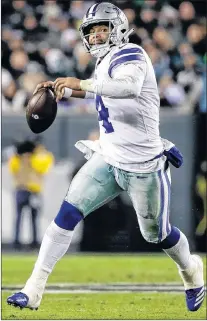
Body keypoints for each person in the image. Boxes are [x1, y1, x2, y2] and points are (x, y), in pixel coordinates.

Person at [7, 2, 204, 312]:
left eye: (102, 28)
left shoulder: (133, 55)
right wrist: (66, 90)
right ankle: (33, 289)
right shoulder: (104, 61)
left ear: (119, 29)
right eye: (91, 30)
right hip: (109, 158)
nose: (96, 36)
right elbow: (102, 92)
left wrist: (80, 83)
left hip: (142, 165)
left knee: (157, 234)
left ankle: (191, 270)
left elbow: (127, 89)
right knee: (67, 215)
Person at [8, 138, 54, 248]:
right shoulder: (18, 159)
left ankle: (31, 242)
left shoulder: (37, 159)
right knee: (21, 217)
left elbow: (43, 167)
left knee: (32, 218)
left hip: (33, 191)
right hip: (23, 190)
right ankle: (18, 242)